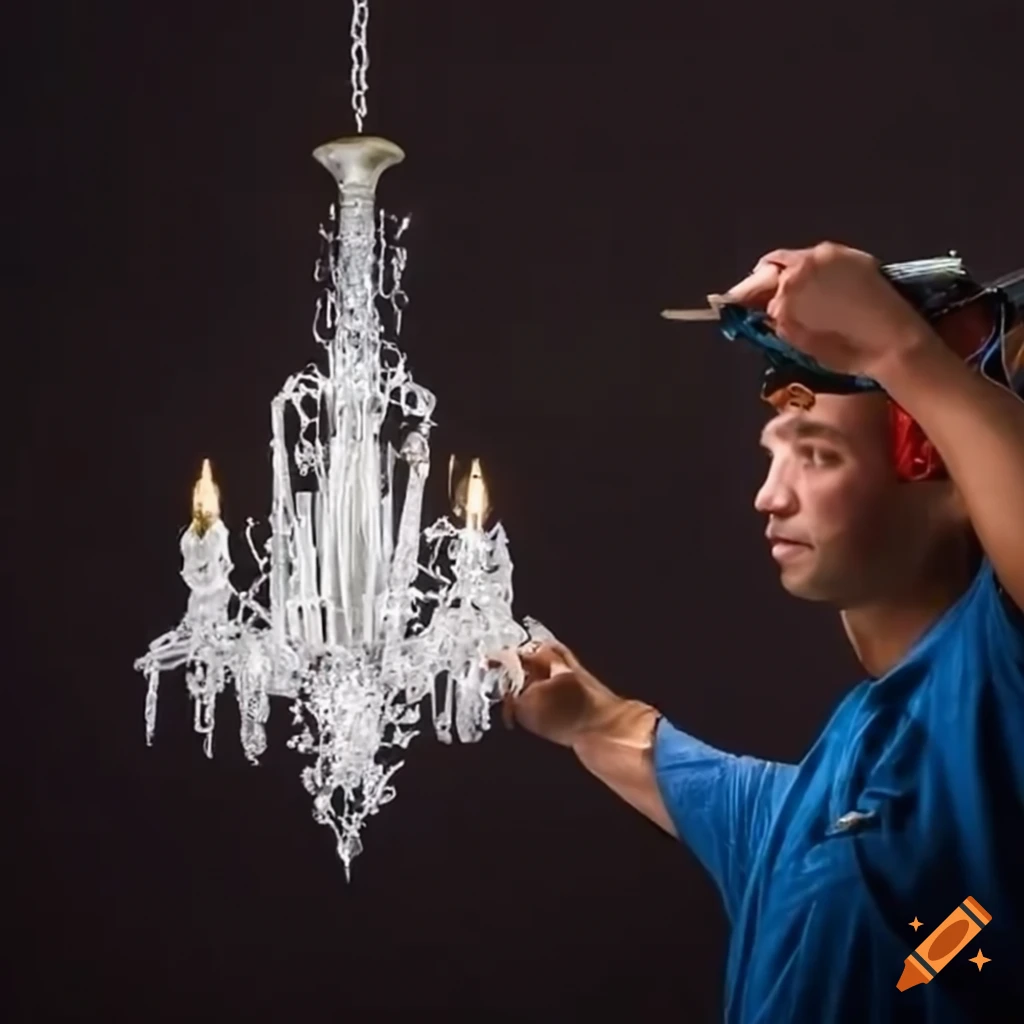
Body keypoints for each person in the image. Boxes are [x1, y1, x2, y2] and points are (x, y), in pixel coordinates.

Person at [502, 243, 1024, 1023]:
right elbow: (766, 821)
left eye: (816, 456)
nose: (769, 498)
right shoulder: (845, 770)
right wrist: (592, 721)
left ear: (943, 472)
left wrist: (897, 346)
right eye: (774, 455)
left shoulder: (998, 678)